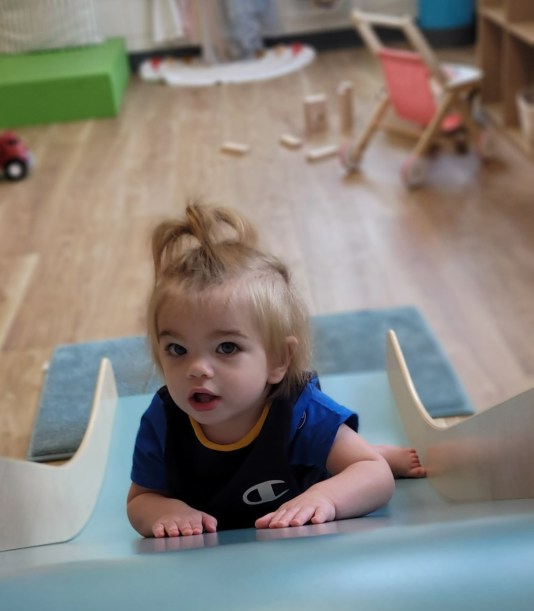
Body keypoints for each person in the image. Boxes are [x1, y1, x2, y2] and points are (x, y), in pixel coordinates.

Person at [127, 203, 425, 539]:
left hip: (300, 494)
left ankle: (358, 454)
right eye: (177, 349)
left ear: (278, 360)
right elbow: (141, 499)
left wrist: (324, 497)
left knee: (351, 461)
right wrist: (165, 510)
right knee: (344, 455)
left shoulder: (299, 412)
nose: (196, 369)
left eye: (227, 348)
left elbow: (373, 474)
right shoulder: (164, 421)